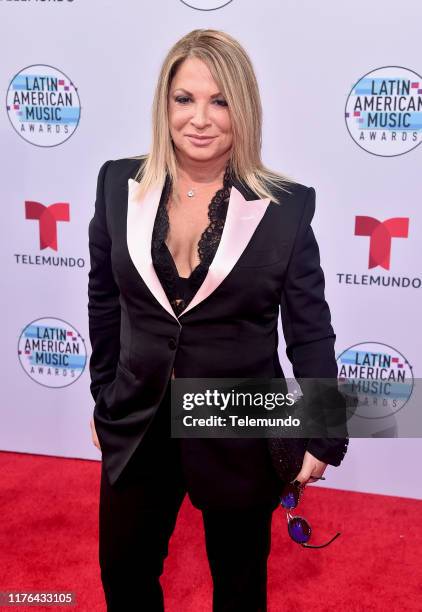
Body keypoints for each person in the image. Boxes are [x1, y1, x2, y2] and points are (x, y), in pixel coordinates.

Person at [88, 28, 348, 612]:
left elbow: (310, 330)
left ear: (244, 107)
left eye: (220, 100)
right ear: (165, 103)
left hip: (237, 417)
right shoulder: (117, 186)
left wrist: (324, 433)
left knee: (238, 588)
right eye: (184, 99)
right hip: (139, 417)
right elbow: (103, 301)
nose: (199, 118)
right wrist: (105, 394)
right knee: (124, 577)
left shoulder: (284, 207)